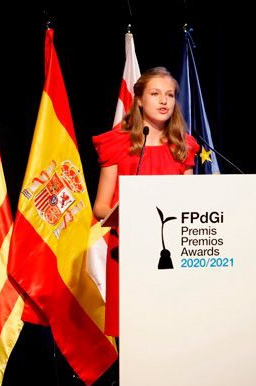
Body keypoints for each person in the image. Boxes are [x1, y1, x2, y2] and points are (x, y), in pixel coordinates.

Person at [92, 66, 199, 338]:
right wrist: (129, 216)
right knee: (136, 332)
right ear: (139, 99)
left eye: (170, 95)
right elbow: (101, 206)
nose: (164, 101)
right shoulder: (118, 144)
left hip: (172, 251)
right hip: (129, 251)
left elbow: (190, 204)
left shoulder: (183, 147)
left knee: (171, 329)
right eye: (155, 93)